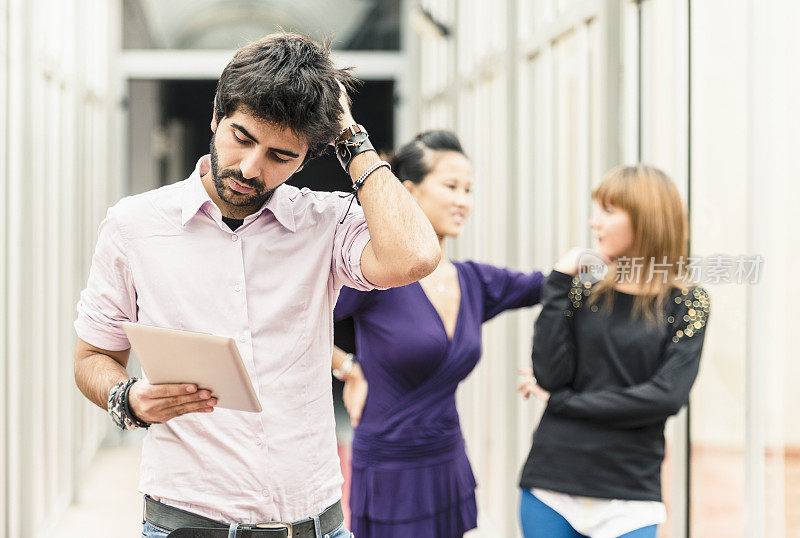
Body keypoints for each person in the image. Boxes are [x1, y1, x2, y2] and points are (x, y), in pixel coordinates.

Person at [72, 33, 441, 538]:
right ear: (216, 118)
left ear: (308, 156)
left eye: (280, 155)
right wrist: (127, 399)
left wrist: (353, 139)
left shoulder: (326, 223)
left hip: (313, 524)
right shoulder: (134, 225)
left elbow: (416, 255)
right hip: (184, 524)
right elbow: (92, 358)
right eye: (241, 138)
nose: (250, 168)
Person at [331, 130, 545, 538]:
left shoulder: (474, 282)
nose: (464, 200)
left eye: (468, 189)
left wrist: (611, 264)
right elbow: (299, 321)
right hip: (389, 468)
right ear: (408, 191)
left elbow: (548, 285)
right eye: (451, 186)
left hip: (448, 460)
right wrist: (349, 367)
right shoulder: (378, 276)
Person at [517, 165, 710, 538]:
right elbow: (551, 375)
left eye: (608, 211)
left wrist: (564, 403)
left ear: (646, 218)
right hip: (552, 483)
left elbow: (665, 397)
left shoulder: (688, 301)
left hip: (630, 495)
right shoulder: (582, 288)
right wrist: (558, 279)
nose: (594, 223)